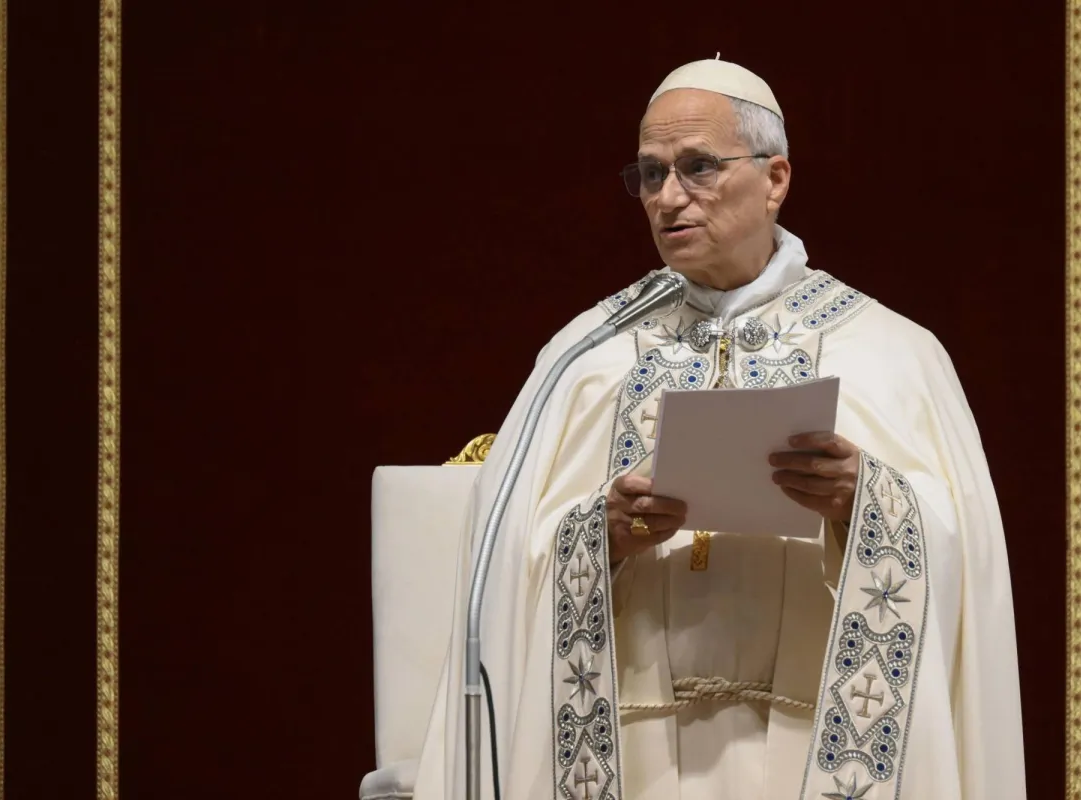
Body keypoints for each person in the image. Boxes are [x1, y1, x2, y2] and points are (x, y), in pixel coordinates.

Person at [413, 57, 1025, 799]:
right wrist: (599, 533)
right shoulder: (586, 356)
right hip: (633, 756)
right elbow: (504, 569)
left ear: (775, 179)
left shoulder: (892, 353)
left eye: (698, 167)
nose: (669, 197)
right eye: (651, 173)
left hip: (810, 749)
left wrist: (865, 501)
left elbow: (969, 566)